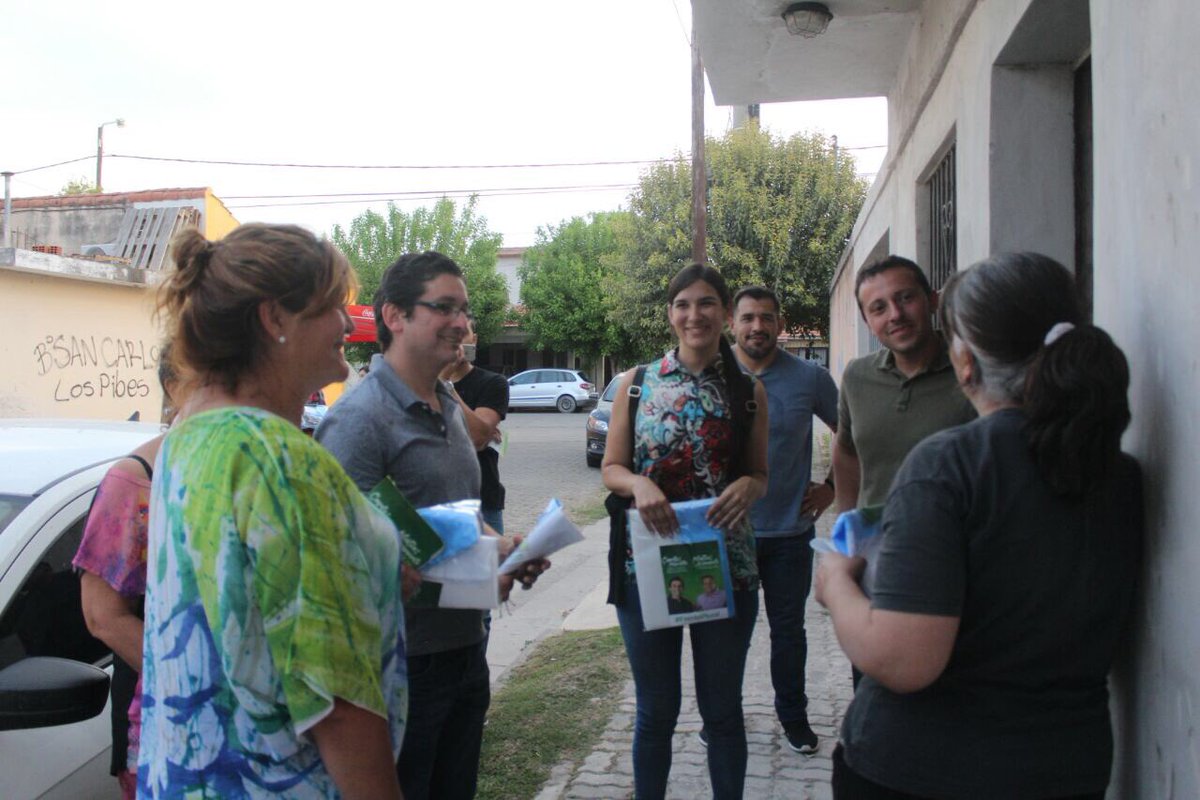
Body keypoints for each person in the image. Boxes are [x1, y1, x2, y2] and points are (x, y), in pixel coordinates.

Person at [815, 252, 1143, 799]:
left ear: (965, 363)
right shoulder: (1118, 472)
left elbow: (903, 659)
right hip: (1068, 768)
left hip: (926, 772)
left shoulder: (949, 464)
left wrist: (836, 582)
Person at [137, 224, 407, 799]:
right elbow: (335, 702)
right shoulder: (280, 460)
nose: (346, 322)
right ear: (274, 318)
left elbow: (246, 610)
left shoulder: (187, 437)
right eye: (332, 306)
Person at [316, 250, 547, 800]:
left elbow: (456, 516)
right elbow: (340, 570)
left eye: (464, 310)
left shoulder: (447, 404)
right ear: (394, 316)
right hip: (401, 669)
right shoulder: (356, 422)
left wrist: (505, 548)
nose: (464, 324)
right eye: (445, 308)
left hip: (466, 652)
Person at [602, 262, 769, 800]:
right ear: (670, 313)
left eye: (706, 303)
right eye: (682, 304)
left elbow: (759, 473)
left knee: (722, 713)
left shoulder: (749, 391)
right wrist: (637, 486)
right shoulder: (636, 385)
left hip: (727, 565)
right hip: (649, 565)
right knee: (656, 712)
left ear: (723, 311)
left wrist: (750, 486)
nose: (693, 315)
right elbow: (611, 467)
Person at [730, 285, 838, 754]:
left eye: (767, 317)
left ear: (780, 324)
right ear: (733, 324)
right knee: (725, 636)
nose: (758, 326)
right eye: (749, 317)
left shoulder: (810, 378)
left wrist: (831, 486)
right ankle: (722, 716)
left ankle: (793, 718)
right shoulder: (712, 374)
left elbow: (849, 434)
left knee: (788, 633)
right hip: (728, 535)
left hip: (791, 535)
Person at [72, 347, 179, 799]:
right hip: (160, 726)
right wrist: (195, 681)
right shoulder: (137, 480)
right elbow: (103, 617)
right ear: (176, 388)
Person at [831, 255, 975, 513]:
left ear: (932, 301)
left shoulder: (971, 370)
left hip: (955, 544)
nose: (895, 315)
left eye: (906, 298)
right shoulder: (856, 376)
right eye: (879, 308)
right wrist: (847, 527)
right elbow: (845, 451)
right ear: (868, 322)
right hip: (876, 545)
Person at [438, 320, 508, 532]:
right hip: (435, 501)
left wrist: (445, 385)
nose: (457, 341)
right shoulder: (421, 384)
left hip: (482, 499)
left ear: (474, 339)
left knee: (490, 564)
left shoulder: (493, 383)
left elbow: (478, 437)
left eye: (463, 333)